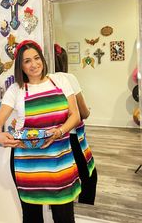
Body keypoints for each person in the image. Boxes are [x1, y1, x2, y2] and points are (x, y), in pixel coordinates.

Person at [0, 40, 82, 223]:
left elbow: (76, 115)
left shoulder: (60, 80)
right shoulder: (15, 90)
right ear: (21, 66)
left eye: (36, 58)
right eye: (27, 61)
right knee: (32, 217)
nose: (34, 64)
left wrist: (59, 131)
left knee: (64, 217)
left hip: (59, 158)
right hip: (28, 163)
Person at [54, 44, 97, 205]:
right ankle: (85, 213)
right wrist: (87, 111)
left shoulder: (44, 80)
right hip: (71, 137)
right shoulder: (68, 78)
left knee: (61, 177)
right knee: (89, 177)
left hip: (54, 138)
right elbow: (83, 113)